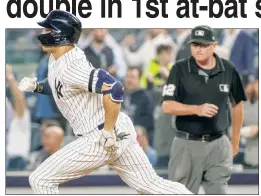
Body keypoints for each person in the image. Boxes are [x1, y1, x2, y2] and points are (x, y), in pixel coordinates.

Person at [18, 10, 192, 194]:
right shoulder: (58, 58)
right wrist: (36, 87)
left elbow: (114, 87)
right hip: (117, 129)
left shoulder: (72, 66)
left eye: (47, 29)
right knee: (151, 185)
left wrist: (108, 131)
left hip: (100, 135)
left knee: (40, 179)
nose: (43, 34)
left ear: (59, 35)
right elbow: (59, 84)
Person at [162, 25, 247, 194]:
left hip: (218, 144)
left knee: (218, 192)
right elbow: (167, 106)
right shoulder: (179, 69)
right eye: (195, 45)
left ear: (214, 45)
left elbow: (237, 105)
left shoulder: (228, 69)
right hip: (186, 145)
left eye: (204, 45)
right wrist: (196, 109)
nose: (199, 49)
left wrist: (235, 141)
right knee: (181, 193)